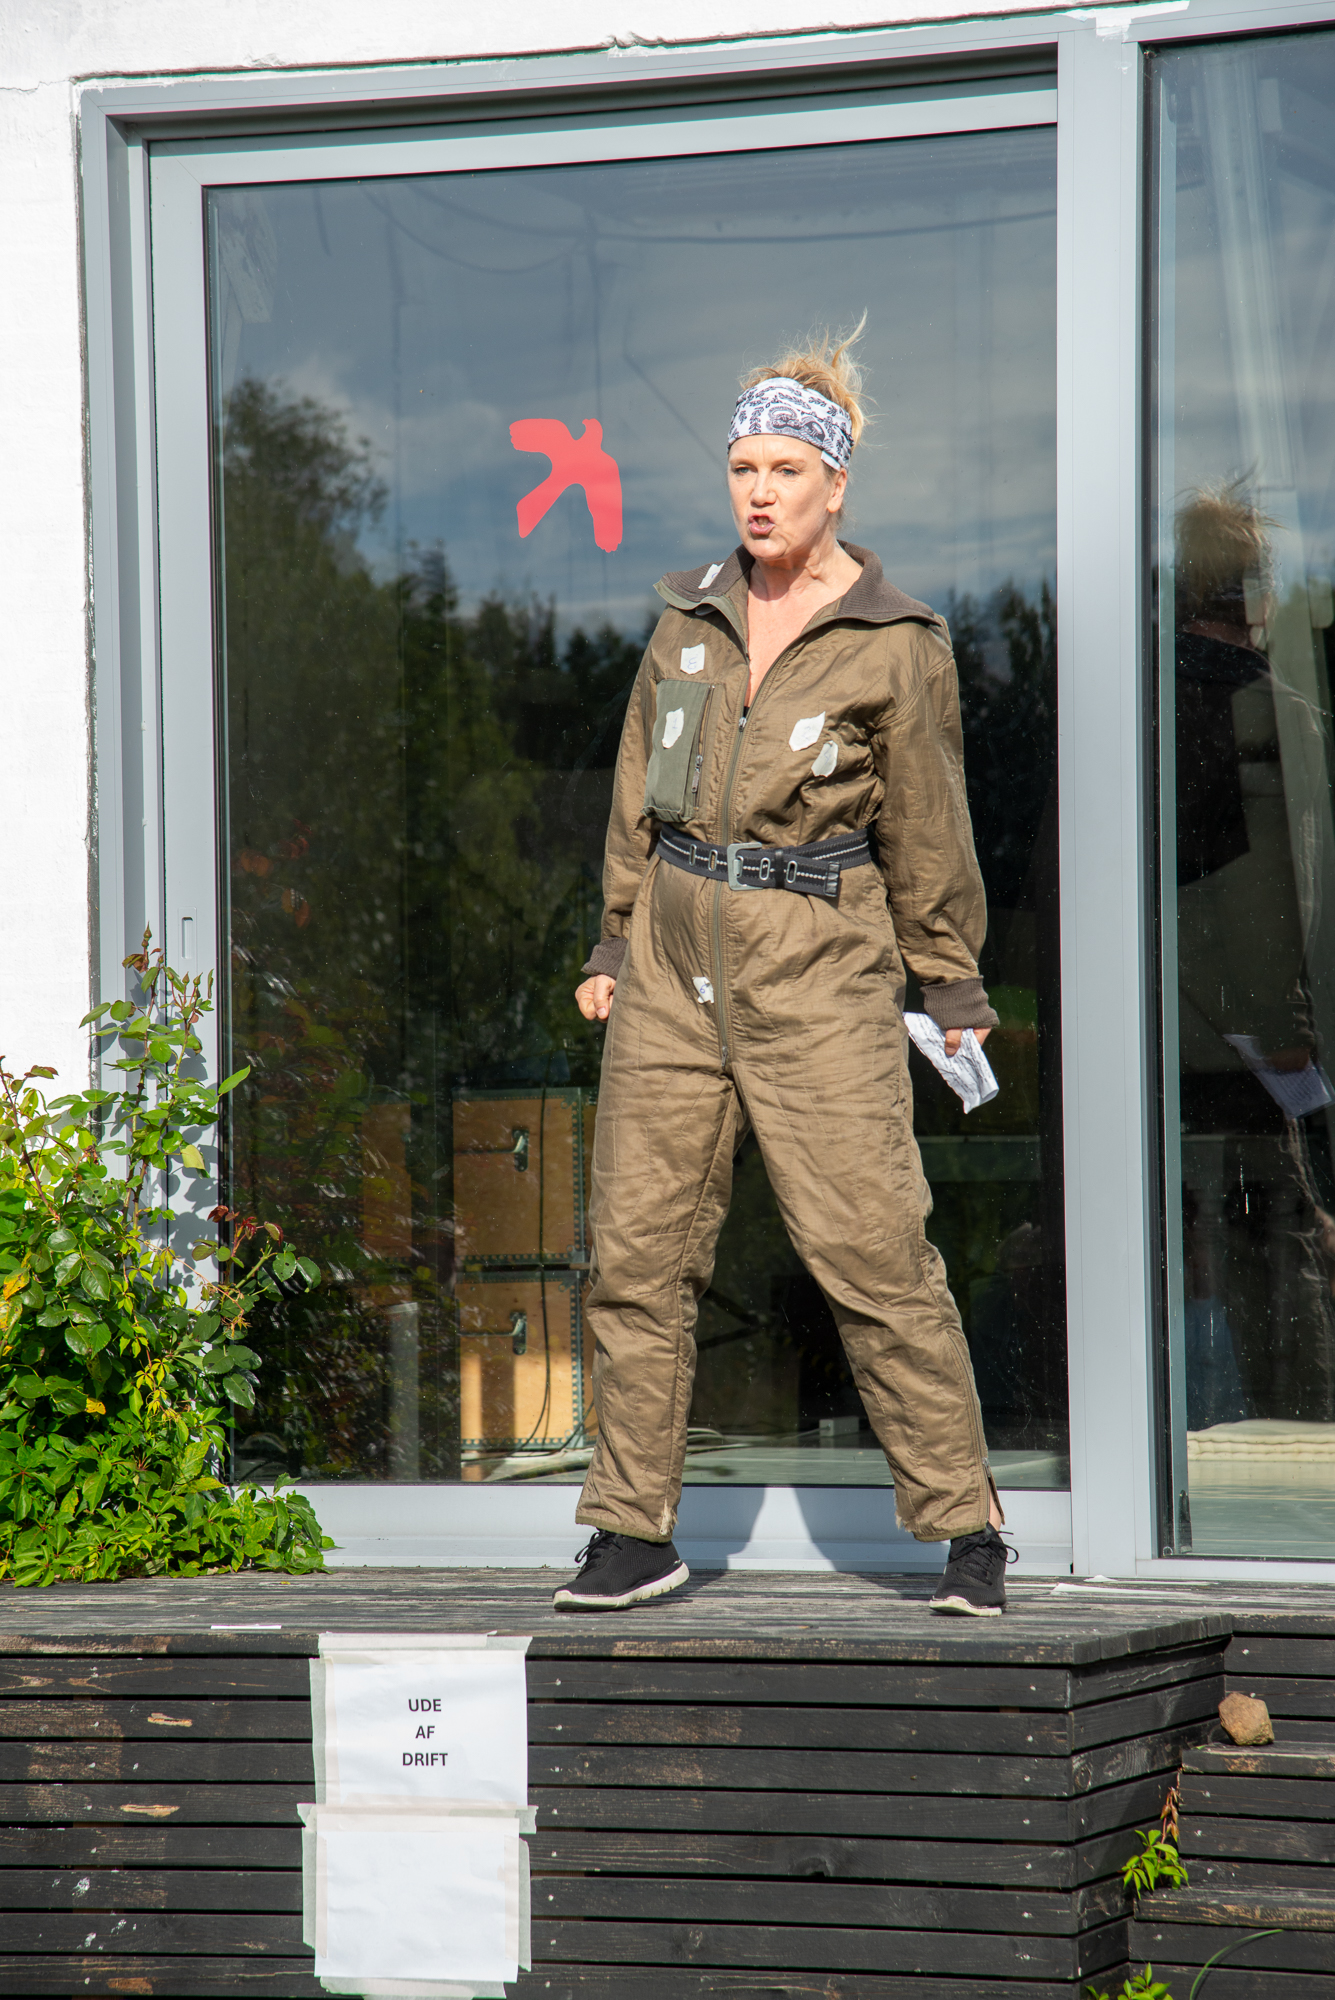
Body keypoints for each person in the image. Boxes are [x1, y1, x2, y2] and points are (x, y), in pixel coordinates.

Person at [554, 330, 1010, 1616]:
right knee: (638, 1255)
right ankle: (631, 1529)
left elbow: (930, 832)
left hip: (819, 968)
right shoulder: (688, 621)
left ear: (836, 484)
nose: (759, 493)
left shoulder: (895, 641)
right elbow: (638, 798)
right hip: (670, 968)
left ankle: (967, 1525)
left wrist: (951, 986)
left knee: (873, 1249)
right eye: (743, 468)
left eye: (786, 470)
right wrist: (612, 941)